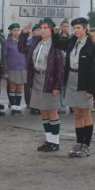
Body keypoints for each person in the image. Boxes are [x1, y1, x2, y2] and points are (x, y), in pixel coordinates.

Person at [52, 17, 95, 157]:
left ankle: (86, 145)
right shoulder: (72, 41)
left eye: (79, 28)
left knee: (86, 113)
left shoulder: (92, 46)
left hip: (84, 81)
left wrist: (91, 89)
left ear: (85, 29)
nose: (76, 30)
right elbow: (57, 44)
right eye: (74, 28)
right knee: (77, 113)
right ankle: (79, 142)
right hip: (72, 79)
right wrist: (55, 33)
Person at [19, 18, 65, 152]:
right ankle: (48, 140)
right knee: (43, 110)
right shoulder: (36, 42)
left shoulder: (55, 44)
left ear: (51, 30)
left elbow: (60, 67)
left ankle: (55, 142)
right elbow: (22, 48)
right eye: (41, 28)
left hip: (49, 79)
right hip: (37, 78)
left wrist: (57, 86)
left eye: (46, 28)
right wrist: (24, 33)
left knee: (51, 110)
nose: (42, 30)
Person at [3, 23, 27, 116]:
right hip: (12, 68)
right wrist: (5, 70)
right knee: (12, 87)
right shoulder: (7, 42)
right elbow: (4, 57)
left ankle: (18, 106)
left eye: (17, 30)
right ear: (10, 31)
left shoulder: (22, 41)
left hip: (22, 67)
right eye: (14, 30)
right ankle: (13, 107)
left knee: (20, 88)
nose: (16, 32)